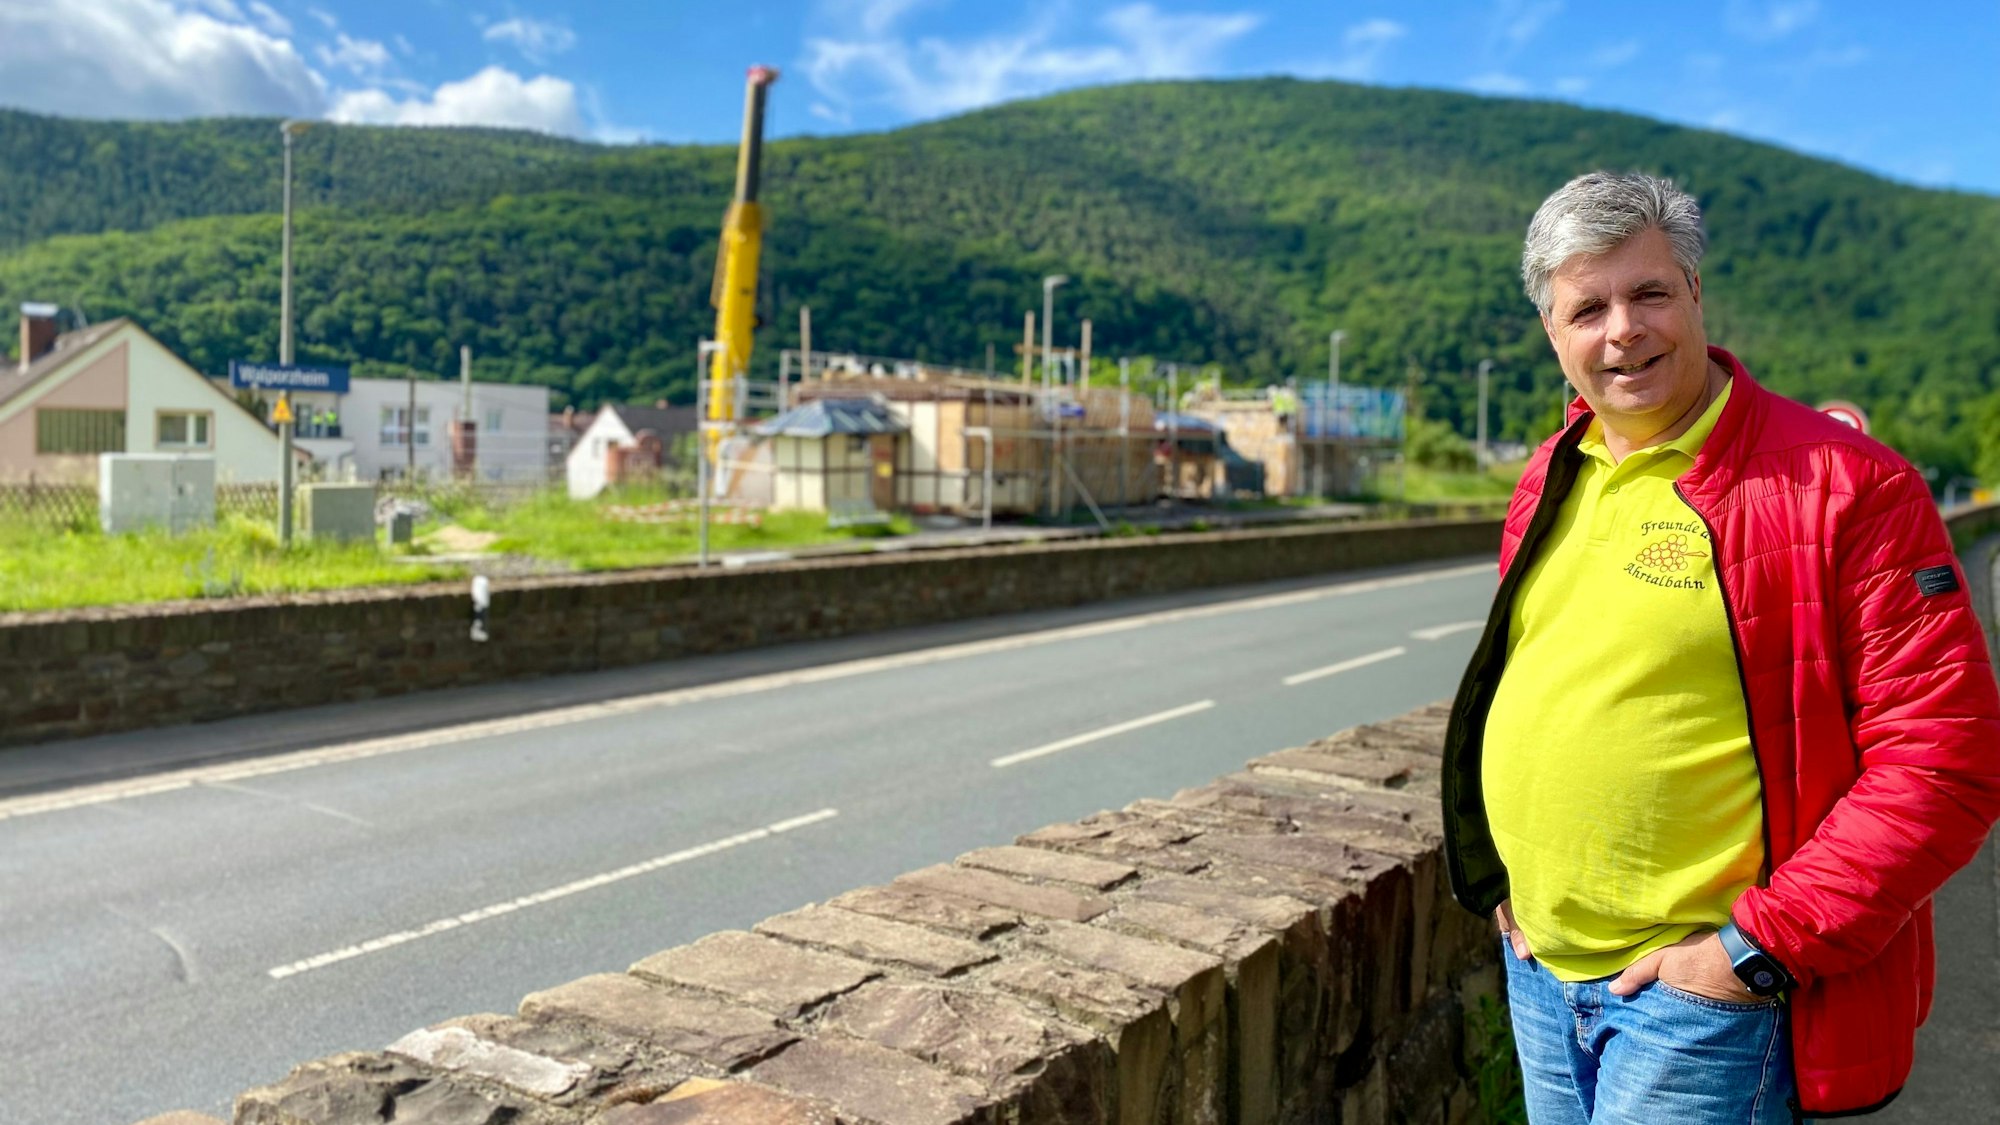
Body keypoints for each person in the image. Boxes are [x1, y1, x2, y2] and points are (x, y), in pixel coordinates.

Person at [1441, 170, 2000, 1123]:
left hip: (1699, 1004)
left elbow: (1946, 758)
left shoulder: (1849, 485)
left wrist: (1752, 951)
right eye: (1588, 308)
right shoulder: (1552, 470)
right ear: (1552, 333)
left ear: (1695, 294)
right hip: (1540, 970)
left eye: (1649, 292)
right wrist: (1506, 879)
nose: (1623, 329)